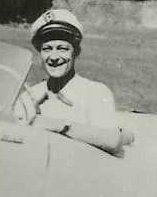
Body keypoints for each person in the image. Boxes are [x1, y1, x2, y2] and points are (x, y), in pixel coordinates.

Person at [25, 9, 127, 155]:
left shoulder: (95, 92)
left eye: (62, 49)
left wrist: (58, 125)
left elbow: (112, 140)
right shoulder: (31, 95)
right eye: (47, 49)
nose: (54, 57)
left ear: (76, 51)